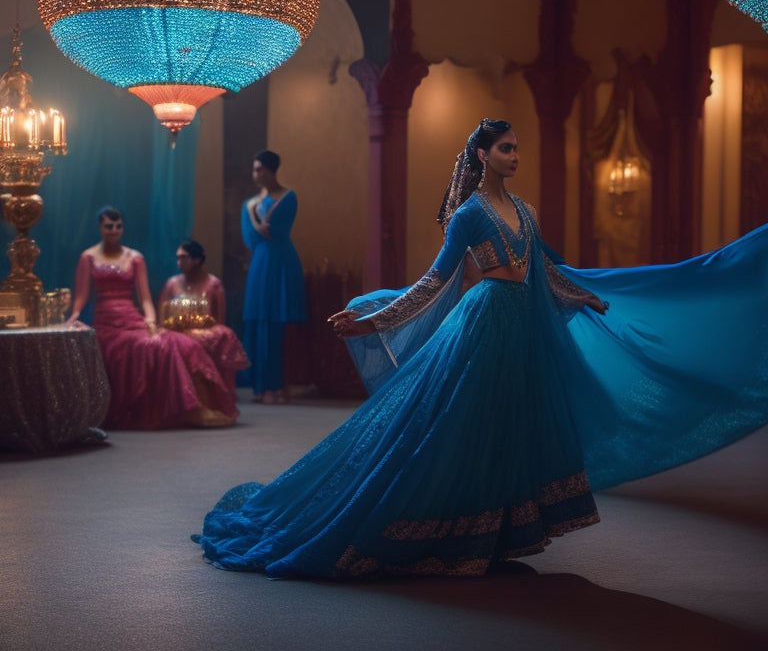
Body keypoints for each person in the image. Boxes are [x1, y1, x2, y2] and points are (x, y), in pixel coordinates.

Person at [192, 119, 768, 579]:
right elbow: (436, 281)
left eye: (518, 149)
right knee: (455, 429)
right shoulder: (466, 216)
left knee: (505, 428)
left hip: (522, 328)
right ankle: (439, 530)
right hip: (485, 321)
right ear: (483, 155)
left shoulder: (527, 211)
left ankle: (490, 537)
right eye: (507, 149)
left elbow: (543, 268)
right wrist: (375, 324)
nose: (516, 157)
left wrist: (582, 296)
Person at [67, 207, 239, 429]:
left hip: (132, 318)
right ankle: (153, 410)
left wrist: (150, 320)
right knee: (144, 347)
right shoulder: (88, 257)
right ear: (100, 228)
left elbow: (145, 297)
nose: (114, 230)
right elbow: (81, 295)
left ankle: (184, 408)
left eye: (118, 226)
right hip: (107, 322)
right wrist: (74, 316)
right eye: (109, 226)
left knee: (175, 344)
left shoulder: (135, 257)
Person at [239, 150, 306, 404]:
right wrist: (256, 216)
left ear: (269, 170)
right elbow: (251, 238)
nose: (255, 174)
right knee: (258, 323)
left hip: (281, 261)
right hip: (260, 262)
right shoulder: (250, 202)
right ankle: (260, 386)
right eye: (254, 169)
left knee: (278, 324)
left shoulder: (288, 197)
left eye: (258, 169)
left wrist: (255, 214)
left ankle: (278, 385)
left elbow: (274, 230)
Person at [158, 239, 249, 398]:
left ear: (197, 260)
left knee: (223, 335)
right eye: (178, 258)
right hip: (176, 332)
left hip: (206, 332)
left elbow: (220, 319)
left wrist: (201, 331)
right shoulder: (171, 283)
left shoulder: (213, 284)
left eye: (184, 257)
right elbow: (162, 316)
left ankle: (213, 393)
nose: (180, 262)